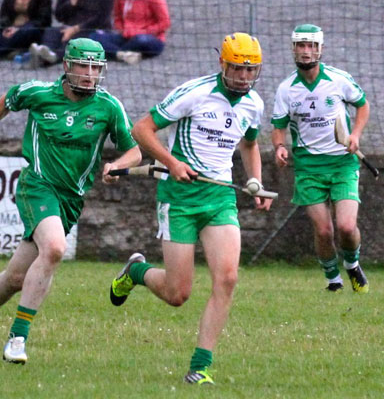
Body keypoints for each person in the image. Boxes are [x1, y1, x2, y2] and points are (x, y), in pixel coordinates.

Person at [0, 38, 142, 366]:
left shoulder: (109, 107)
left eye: (96, 68)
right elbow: (5, 101)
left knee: (15, 278)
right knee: (54, 248)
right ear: (67, 66)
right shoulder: (38, 93)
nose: (90, 74)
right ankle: (18, 338)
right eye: (84, 66)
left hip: (70, 200)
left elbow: (134, 151)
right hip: (36, 186)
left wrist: (117, 165)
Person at [109, 32, 272, 385]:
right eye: (237, 70)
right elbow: (142, 129)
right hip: (179, 200)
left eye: (251, 71)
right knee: (177, 294)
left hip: (219, 201)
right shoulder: (195, 93)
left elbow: (249, 144)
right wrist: (171, 162)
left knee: (227, 278)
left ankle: (200, 367)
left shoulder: (253, 104)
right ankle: (136, 273)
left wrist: (255, 181)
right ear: (221, 64)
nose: (244, 78)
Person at [271, 24, 370, 293]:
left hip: (342, 164)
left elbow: (362, 105)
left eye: (311, 45)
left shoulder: (338, 80)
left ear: (320, 48)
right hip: (308, 167)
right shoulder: (286, 89)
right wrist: (279, 146)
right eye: (300, 45)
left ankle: (352, 264)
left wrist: (356, 135)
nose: (305, 51)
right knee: (324, 231)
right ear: (293, 49)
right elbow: (278, 126)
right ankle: (333, 280)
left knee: (347, 227)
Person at [29, 0, 114, 67]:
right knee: (51, 31)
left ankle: (53, 57)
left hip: (92, 29)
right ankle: (44, 51)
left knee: (75, 40)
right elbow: (59, 16)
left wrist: (77, 28)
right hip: (68, 27)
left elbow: (102, 18)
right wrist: (71, 3)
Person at [90, 0, 170, 65]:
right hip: (126, 37)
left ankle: (114, 52)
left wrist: (141, 31)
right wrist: (122, 30)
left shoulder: (155, 0)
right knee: (94, 37)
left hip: (150, 38)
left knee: (141, 40)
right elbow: (117, 18)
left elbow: (164, 23)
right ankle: (123, 55)